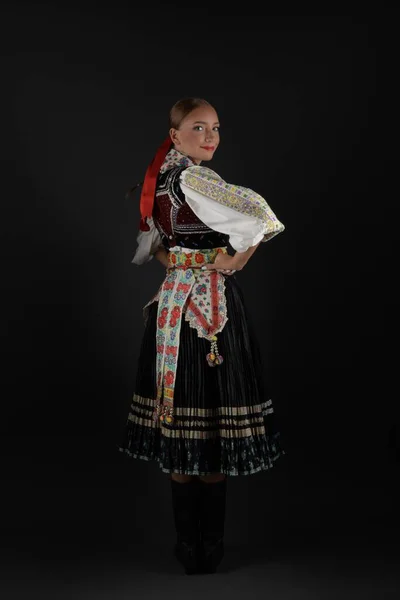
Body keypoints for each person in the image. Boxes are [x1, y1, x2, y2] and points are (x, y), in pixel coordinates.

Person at [118, 97, 286, 575]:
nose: (210, 137)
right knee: (212, 419)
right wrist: (231, 262)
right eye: (199, 128)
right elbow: (261, 217)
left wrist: (181, 267)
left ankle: (188, 547)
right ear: (175, 135)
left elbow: (150, 245)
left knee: (182, 415)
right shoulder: (195, 178)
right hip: (209, 307)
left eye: (215, 128)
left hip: (172, 306)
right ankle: (208, 548)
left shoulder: (158, 182)